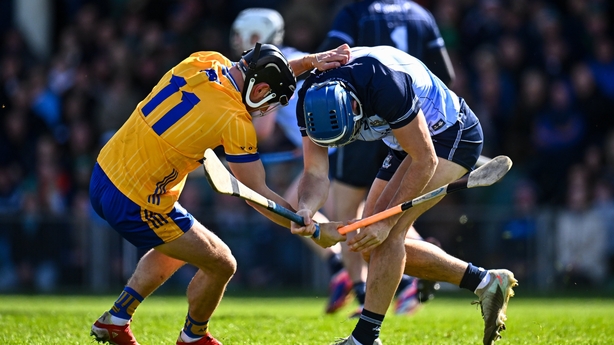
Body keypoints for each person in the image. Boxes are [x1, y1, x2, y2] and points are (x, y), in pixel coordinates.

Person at [88, 42, 350, 345]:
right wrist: (310, 226)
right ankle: (193, 337)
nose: (264, 110)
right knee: (222, 263)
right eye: (268, 101)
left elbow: (263, 73)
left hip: (104, 170)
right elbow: (257, 194)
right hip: (135, 200)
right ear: (260, 88)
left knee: (179, 244)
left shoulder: (204, 60)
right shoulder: (235, 119)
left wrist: (311, 62)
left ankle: (117, 319)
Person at [292, 45, 517, 345]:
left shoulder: (383, 84)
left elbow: (425, 159)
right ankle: (487, 282)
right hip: (404, 142)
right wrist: (306, 208)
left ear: (356, 107)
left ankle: (365, 338)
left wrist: (385, 223)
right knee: (366, 245)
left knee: (385, 235)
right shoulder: (310, 101)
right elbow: (316, 173)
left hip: (449, 135)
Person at [316, 0, 456, 316]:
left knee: (349, 210)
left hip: (361, 119)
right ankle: (408, 281)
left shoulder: (355, 12)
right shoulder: (422, 15)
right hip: (410, 119)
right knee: (389, 211)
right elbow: (445, 73)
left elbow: (329, 57)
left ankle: (365, 292)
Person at [230, 7, 354, 314]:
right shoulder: (295, 55)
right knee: (356, 215)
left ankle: (348, 271)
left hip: (335, 147)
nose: (234, 40)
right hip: (345, 141)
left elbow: (263, 129)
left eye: (239, 34)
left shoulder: (263, 67)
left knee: (294, 209)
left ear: (255, 36)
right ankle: (363, 281)